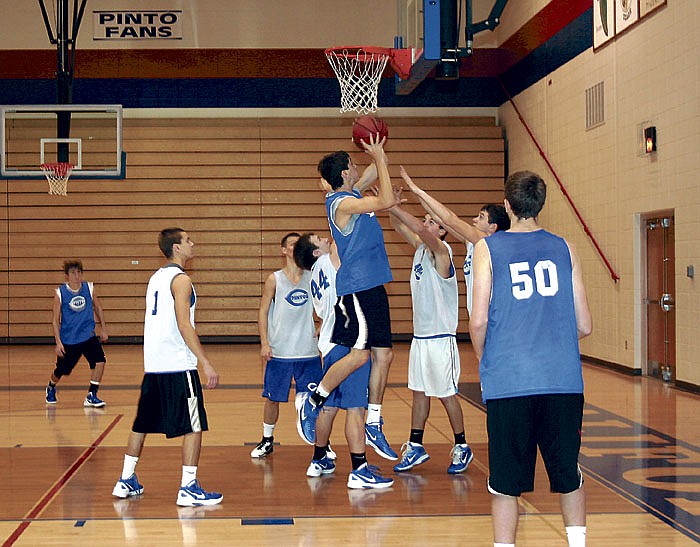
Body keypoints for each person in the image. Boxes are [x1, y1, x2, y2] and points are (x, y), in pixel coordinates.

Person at [469, 171, 592, 547]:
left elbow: (478, 320)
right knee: (568, 474)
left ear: (507, 205)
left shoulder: (488, 248)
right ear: (541, 204)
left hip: (509, 380)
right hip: (562, 380)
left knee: (505, 485)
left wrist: (485, 358)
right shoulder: (565, 247)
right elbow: (584, 324)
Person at [297, 135, 399, 461]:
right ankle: (314, 399)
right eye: (351, 165)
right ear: (343, 174)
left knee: (383, 355)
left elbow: (368, 173)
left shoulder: (350, 192)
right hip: (357, 287)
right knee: (360, 355)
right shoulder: (340, 203)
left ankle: (373, 419)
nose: (357, 168)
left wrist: (377, 145)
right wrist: (381, 159)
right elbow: (383, 200)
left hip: (374, 285)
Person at [112, 228, 223, 507]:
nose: (192, 243)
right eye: (188, 240)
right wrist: (205, 362)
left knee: (141, 424)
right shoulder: (181, 280)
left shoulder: (156, 278)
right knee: (194, 424)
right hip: (178, 365)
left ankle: (125, 479)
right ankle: (188, 487)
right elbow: (184, 324)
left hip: (154, 366)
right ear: (176, 247)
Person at [294, 233, 393, 489]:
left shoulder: (314, 273)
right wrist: (343, 196)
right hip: (346, 338)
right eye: (319, 239)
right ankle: (359, 469)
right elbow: (343, 230)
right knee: (355, 408)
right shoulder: (329, 260)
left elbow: (318, 312)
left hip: (327, 343)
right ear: (317, 252)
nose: (325, 238)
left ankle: (318, 459)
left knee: (330, 407)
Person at [386, 187, 474, 475]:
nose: (425, 224)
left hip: (440, 339)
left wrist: (394, 205)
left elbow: (421, 233)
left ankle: (462, 445)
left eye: (432, 221)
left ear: (443, 231)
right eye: (425, 219)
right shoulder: (421, 248)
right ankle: (416, 445)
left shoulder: (442, 251)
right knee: (419, 393)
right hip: (420, 339)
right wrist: (391, 204)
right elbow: (397, 225)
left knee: (446, 394)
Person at [399, 166, 510, 315]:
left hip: (494, 317)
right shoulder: (472, 244)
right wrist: (417, 194)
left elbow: (450, 219)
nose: (474, 219)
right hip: (480, 317)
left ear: (492, 227)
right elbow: (439, 217)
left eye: (481, 217)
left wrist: (417, 190)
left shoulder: (488, 241)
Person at [251, 232, 323, 459]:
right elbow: (262, 312)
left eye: (298, 245)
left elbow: (325, 304)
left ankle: (322, 444)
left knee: (314, 401)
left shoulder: (313, 276)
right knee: (273, 398)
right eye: (291, 245)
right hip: (280, 351)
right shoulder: (274, 279)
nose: (295, 248)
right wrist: (264, 342)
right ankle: (267, 439)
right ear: (283, 250)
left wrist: (321, 323)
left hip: (308, 351)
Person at [45, 260, 109, 407]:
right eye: (73, 273)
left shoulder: (89, 288)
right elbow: (55, 320)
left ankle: (92, 394)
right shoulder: (60, 293)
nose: (77, 275)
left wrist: (103, 328)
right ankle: (51, 386)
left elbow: (98, 308)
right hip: (69, 340)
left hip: (88, 336)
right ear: (67, 276)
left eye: (79, 272)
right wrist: (58, 342)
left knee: (100, 361)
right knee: (62, 370)